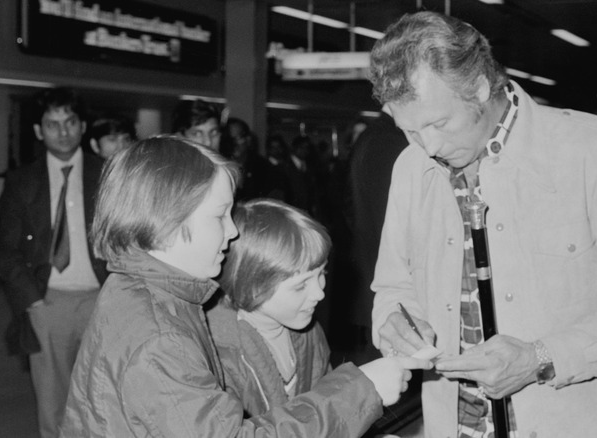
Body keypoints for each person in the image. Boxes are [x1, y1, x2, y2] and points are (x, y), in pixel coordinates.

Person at [367, 11, 597, 438]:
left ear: (480, 87)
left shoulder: (588, 147)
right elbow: (393, 289)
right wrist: (395, 324)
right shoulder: (410, 168)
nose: (429, 147)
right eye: (409, 130)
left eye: (439, 123)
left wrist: (541, 357)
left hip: (584, 423)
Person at [59, 136, 431, 437]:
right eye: (220, 215)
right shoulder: (159, 339)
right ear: (167, 222)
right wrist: (361, 390)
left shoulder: (141, 291)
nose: (232, 230)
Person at [206, 197, 425, 420]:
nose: (319, 293)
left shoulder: (309, 332)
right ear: (252, 286)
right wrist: (358, 392)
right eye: (301, 285)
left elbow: (327, 409)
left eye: (322, 274)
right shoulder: (218, 356)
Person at [0, 87, 108, 438]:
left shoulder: (107, 174)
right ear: (38, 131)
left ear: (83, 126)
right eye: (52, 123)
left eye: (70, 122)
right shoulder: (21, 181)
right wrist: (33, 301)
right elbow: (6, 251)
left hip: (101, 302)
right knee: (53, 405)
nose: (62, 131)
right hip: (49, 302)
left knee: (102, 397)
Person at [345, 112, 408, 348]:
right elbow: (392, 217)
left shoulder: (371, 137)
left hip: (370, 265)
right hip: (389, 274)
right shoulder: (391, 142)